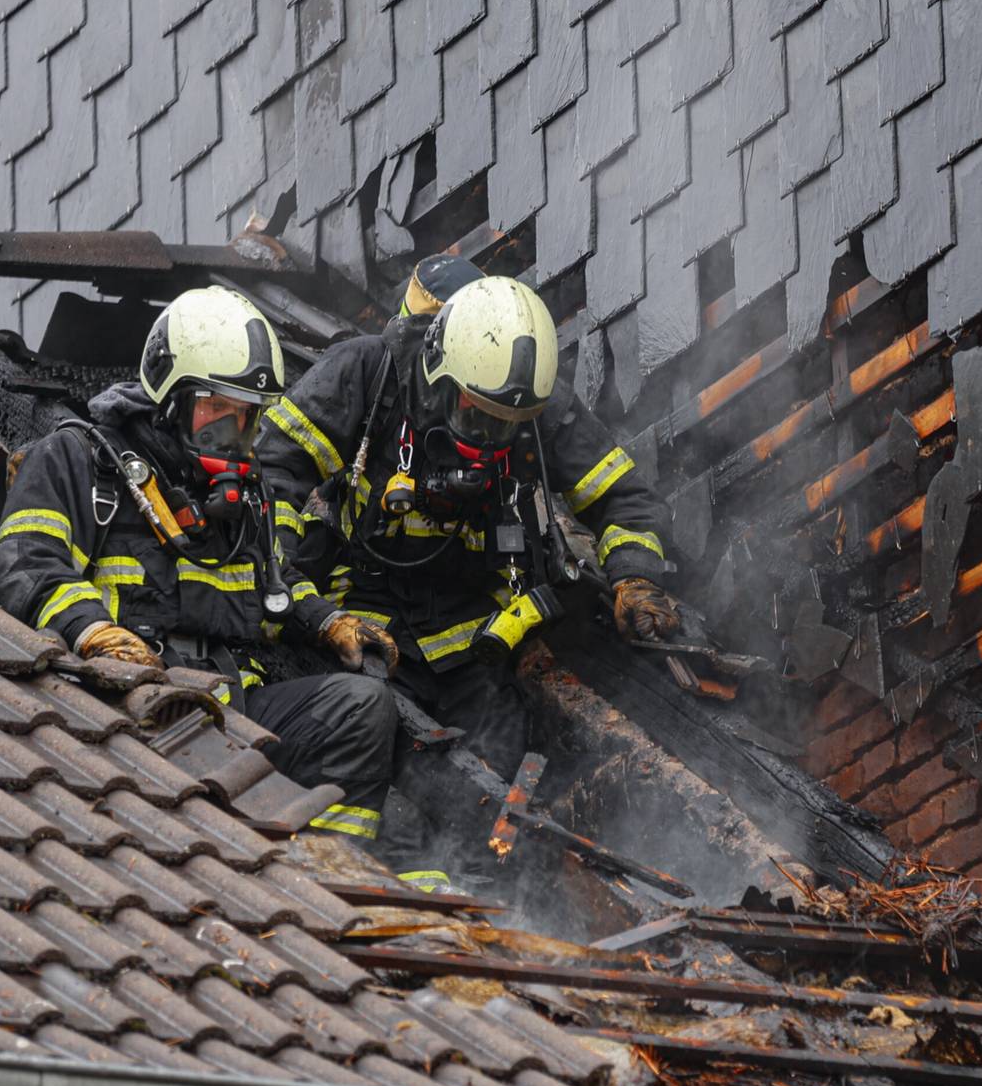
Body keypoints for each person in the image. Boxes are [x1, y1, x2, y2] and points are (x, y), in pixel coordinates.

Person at [0, 285, 400, 841]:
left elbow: (274, 587)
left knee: (364, 708)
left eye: (246, 417)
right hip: (124, 709)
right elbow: (27, 563)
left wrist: (327, 620)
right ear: (170, 398)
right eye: (216, 410)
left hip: (230, 710)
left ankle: (326, 872)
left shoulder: (245, 498)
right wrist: (91, 632)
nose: (232, 435)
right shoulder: (81, 462)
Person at [256, 263, 683, 786]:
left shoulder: (535, 406)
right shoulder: (368, 373)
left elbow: (624, 497)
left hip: (477, 632)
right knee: (382, 758)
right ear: (438, 372)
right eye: (475, 415)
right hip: (361, 613)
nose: (488, 438)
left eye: (506, 424)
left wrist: (634, 577)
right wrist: (302, 597)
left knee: (488, 777)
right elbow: (271, 472)